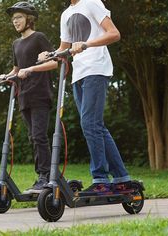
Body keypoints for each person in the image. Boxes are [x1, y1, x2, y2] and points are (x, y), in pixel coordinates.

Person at [55, 0, 132, 194]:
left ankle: (101, 180)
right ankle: (121, 177)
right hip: (78, 74)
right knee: (94, 126)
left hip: (96, 69)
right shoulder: (66, 14)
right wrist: (50, 54)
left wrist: (86, 44)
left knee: (90, 124)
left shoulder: (91, 2)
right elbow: (64, 48)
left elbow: (114, 33)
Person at [0, 1, 57, 194]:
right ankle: (41, 176)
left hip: (40, 94)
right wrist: (5, 76)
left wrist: (29, 70)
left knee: (39, 136)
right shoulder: (16, 44)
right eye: (13, 19)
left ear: (29, 19)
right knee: (33, 138)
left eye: (19, 17)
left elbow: (54, 63)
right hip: (23, 96)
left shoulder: (39, 38)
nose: (15, 21)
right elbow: (16, 69)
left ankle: (45, 176)